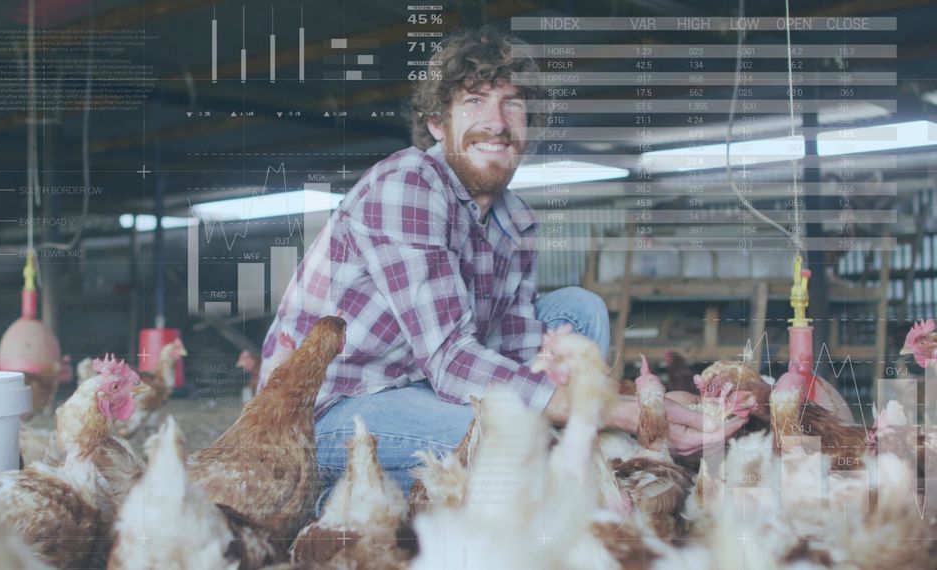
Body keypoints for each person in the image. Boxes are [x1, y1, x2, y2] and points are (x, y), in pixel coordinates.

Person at [254, 26, 748, 512]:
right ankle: (332, 497)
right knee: (515, 442)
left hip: (427, 386)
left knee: (578, 310)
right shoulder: (407, 184)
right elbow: (451, 359)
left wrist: (639, 411)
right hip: (331, 407)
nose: (496, 121)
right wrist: (608, 411)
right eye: (473, 102)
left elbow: (512, 348)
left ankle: (491, 473)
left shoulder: (515, 219)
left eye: (511, 103)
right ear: (436, 122)